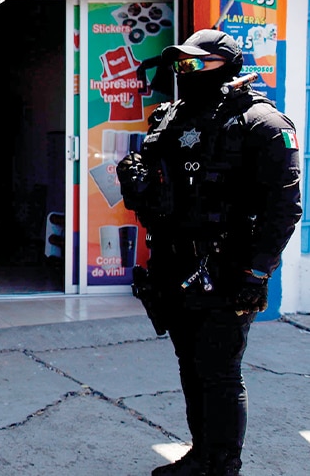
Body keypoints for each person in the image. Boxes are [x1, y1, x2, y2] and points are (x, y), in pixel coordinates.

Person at [117, 29, 301, 476]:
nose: (187, 71)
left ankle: (222, 464)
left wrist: (257, 274)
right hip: (172, 264)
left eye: (199, 63)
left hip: (228, 266)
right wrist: (134, 180)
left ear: (230, 65)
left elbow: (285, 207)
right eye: (181, 64)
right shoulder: (170, 118)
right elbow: (161, 192)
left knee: (218, 371)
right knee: (190, 364)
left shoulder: (262, 123)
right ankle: (201, 454)